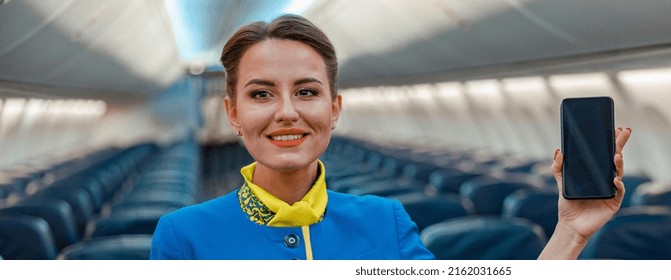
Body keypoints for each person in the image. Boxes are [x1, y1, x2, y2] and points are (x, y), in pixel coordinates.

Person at [150, 14, 632, 260]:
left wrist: (570, 232)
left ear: (334, 108)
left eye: (307, 91)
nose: (287, 112)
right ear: (232, 113)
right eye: (261, 94)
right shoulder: (184, 236)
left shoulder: (384, 222)